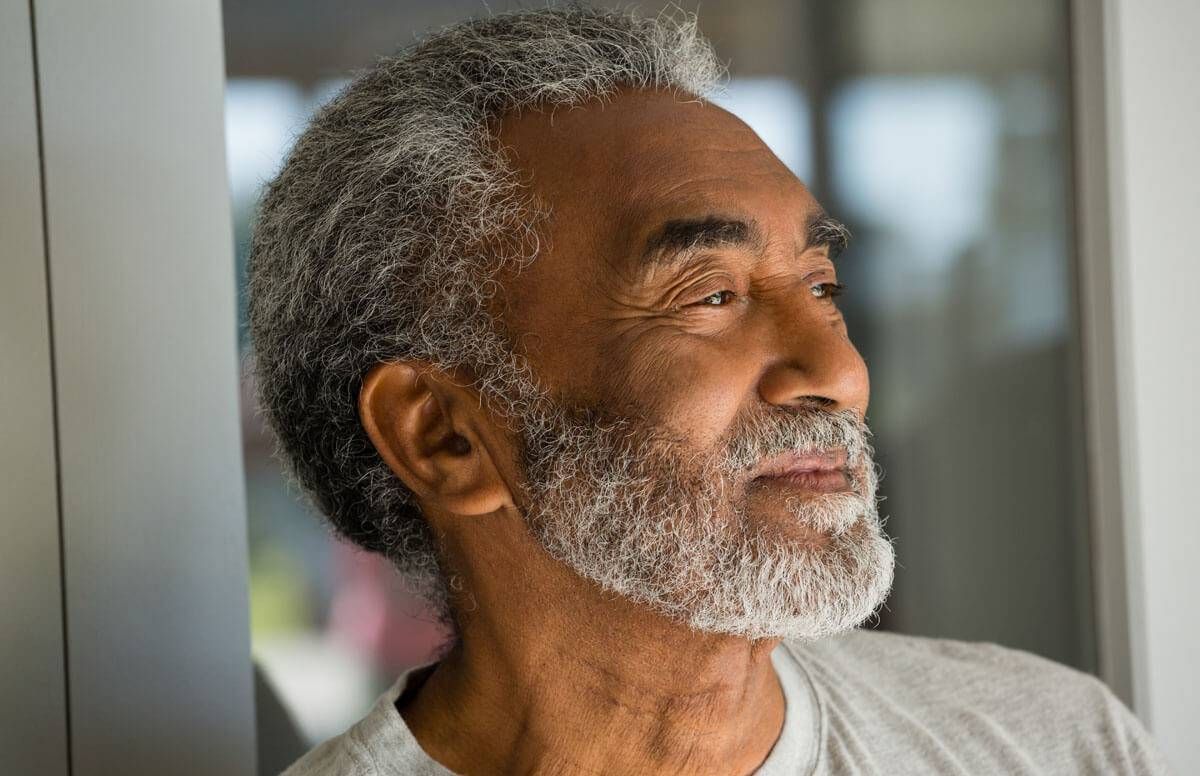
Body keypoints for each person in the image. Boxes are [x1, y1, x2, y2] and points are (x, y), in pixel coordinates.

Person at [248, 6, 1168, 774]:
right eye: (711, 296)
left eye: (821, 288)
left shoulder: (1052, 743)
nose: (840, 376)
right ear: (444, 436)